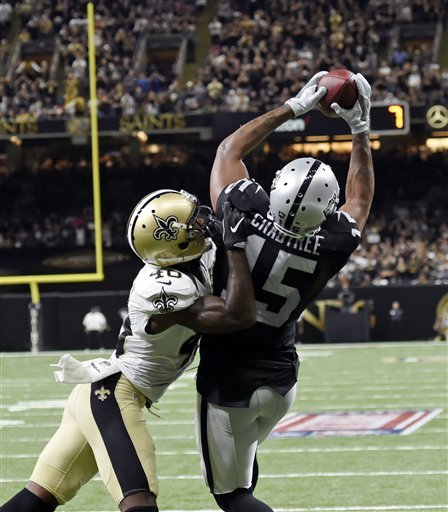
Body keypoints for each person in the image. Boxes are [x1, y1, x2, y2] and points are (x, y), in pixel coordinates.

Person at [1, 189, 255, 512]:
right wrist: (235, 245)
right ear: (172, 241)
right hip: (114, 396)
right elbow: (238, 314)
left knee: (36, 499)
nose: (202, 224)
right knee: (139, 503)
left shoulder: (187, 257)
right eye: (192, 224)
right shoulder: (162, 288)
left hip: (100, 391)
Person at [195, 71, 374, 512]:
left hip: (229, 382)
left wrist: (294, 107)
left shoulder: (244, 208)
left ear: (274, 188)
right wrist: (360, 128)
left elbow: (229, 149)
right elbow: (361, 199)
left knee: (231, 496)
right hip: (281, 382)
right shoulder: (334, 242)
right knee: (243, 473)